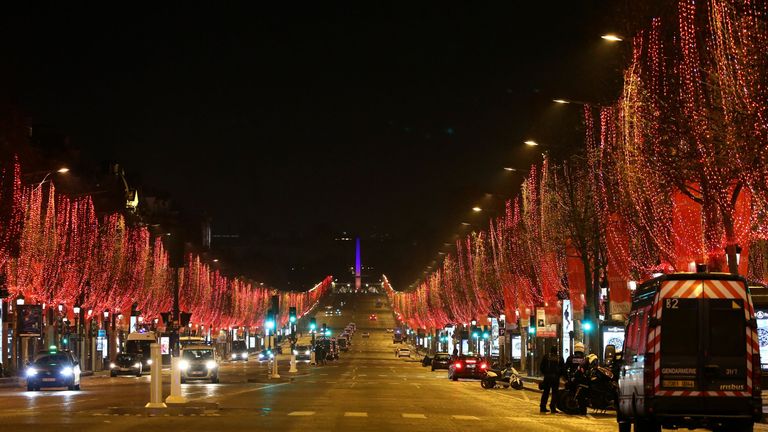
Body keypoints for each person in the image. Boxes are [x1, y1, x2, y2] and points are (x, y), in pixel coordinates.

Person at [539, 346, 564, 413]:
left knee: (546, 392)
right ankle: (553, 407)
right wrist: (559, 375)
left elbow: (541, 367)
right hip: (555, 378)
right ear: (557, 351)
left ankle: (542, 406)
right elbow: (563, 369)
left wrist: (545, 373)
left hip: (547, 377)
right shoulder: (560, 358)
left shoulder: (546, 357)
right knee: (554, 393)